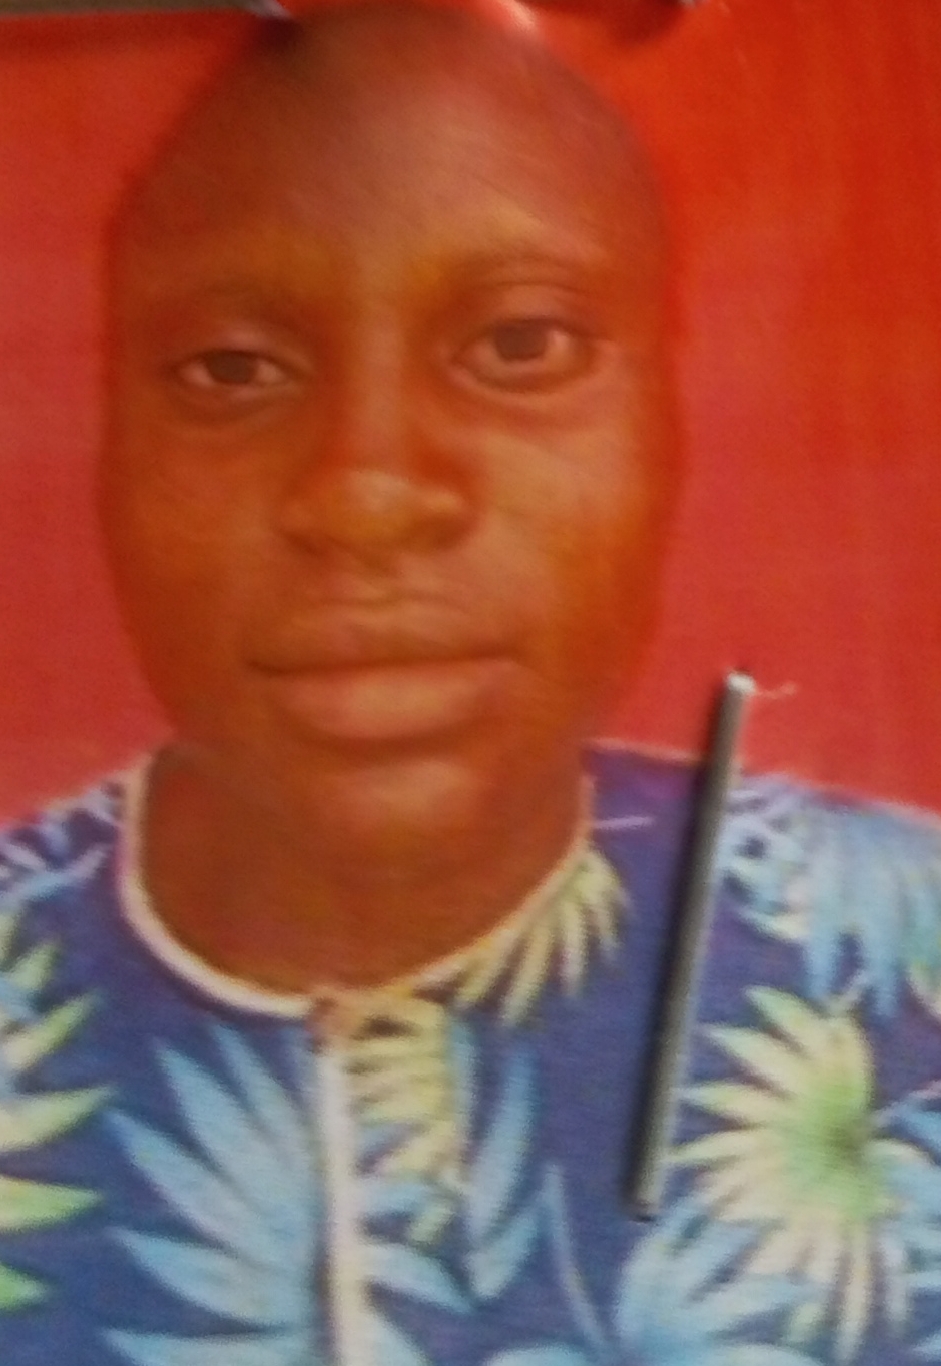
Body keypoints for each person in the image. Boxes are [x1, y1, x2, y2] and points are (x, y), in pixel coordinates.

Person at [1, 4, 940, 1364]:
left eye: (520, 346)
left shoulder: (905, 955)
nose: (367, 492)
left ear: (667, 429)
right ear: (106, 454)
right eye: (231, 369)